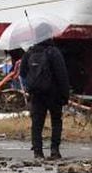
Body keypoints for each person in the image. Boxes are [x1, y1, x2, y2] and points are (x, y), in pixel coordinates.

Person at [20, 30, 71, 160]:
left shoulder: (29, 52)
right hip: (53, 94)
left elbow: (23, 73)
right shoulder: (54, 52)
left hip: (36, 94)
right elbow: (62, 75)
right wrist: (65, 95)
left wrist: (31, 85)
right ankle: (54, 150)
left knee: (37, 123)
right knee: (56, 121)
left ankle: (38, 152)